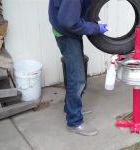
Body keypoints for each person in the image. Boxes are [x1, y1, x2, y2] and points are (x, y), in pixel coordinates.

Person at [48, 0, 108, 136]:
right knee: (78, 78)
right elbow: (69, 22)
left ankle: (70, 109)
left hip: (67, 30)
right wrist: (96, 28)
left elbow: (76, 11)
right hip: (66, 33)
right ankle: (74, 122)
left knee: (75, 71)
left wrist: (93, 20)